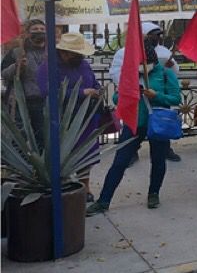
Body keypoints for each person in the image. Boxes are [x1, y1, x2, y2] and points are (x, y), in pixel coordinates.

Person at [86, 43, 180, 215]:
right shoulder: (130, 74)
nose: (142, 67)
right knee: (120, 162)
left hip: (157, 124)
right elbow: (116, 98)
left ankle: (153, 193)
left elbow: (176, 98)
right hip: (133, 123)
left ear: (153, 61)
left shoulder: (166, 74)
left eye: (145, 63)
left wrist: (156, 96)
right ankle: (104, 200)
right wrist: (127, 94)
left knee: (158, 161)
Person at [36, 33, 101, 201]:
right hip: (62, 118)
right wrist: (80, 93)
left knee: (87, 154)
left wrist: (96, 90)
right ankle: (63, 186)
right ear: (64, 52)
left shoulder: (83, 65)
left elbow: (93, 82)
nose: (78, 56)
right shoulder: (48, 67)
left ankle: (85, 187)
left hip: (86, 117)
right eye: (74, 53)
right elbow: (47, 92)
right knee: (62, 154)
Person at [110, 22, 182, 163]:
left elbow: (174, 78)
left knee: (159, 142)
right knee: (131, 137)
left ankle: (165, 150)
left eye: (158, 36)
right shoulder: (123, 52)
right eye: (153, 36)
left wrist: (170, 66)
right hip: (136, 109)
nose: (157, 39)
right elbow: (116, 73)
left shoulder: (164, 51)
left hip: (157, 108)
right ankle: (132, 153)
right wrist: (133, 83)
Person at [1, 19, 47, 137]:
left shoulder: (51, 52)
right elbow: (4, 74)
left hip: (44, 101)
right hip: (20, 101)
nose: (39, 31)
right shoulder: (17, 51)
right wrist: (17, 66)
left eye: (42, 29)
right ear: (27, 33)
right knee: (20, 135)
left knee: (42, 135)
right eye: (35, 29)